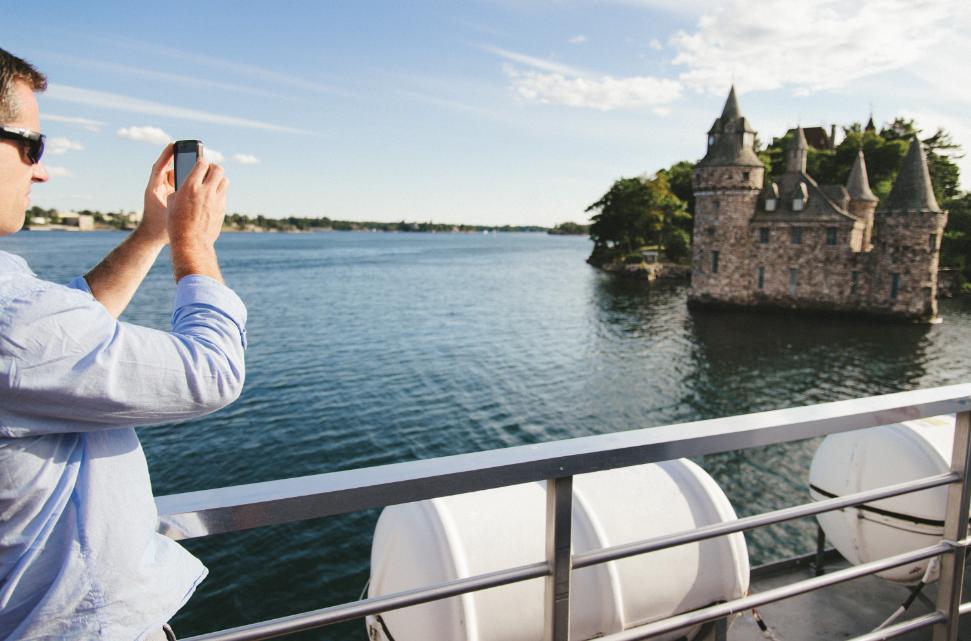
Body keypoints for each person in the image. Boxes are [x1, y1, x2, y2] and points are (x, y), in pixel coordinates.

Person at [0, 49, 246, 640]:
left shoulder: (22, 314)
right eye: (32, 146)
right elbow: (209, 373)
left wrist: (151, 234)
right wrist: (194, 244)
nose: (42, 171)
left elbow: (62, 337)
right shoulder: (14, 321)